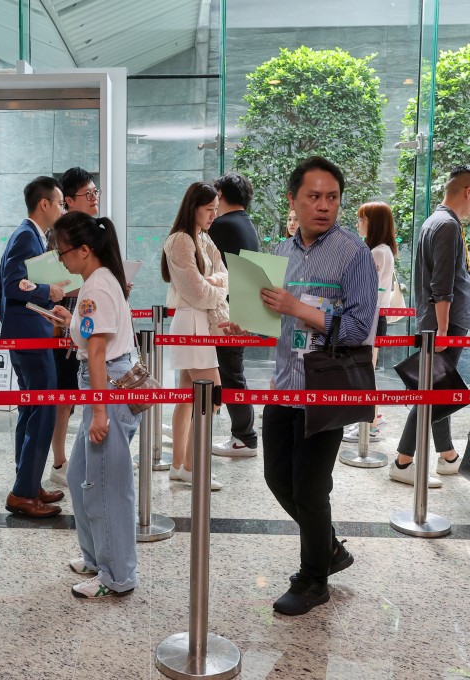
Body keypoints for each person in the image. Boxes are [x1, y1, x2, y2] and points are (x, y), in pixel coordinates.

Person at [222, 156, 377, 615]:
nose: (323, 206)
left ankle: (313, 580)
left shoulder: (354, 253)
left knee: (311, 487)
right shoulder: (280, 254)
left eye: (332, 197)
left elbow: (361, 327)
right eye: (313, 196)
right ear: (293, 200)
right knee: (276, 478)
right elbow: (277, 319)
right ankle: (328, 548)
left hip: (326, 387)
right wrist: (247, 327)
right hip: (284, 383)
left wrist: (300, 308)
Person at [48, 211, 139, 599]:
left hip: (107, 390)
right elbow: (93, 339)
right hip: (108, 384)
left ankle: (116, 575)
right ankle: (95, 557)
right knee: (80, 476)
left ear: (84, 250)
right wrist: (72, 321)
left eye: (63, 252)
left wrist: (100, 412)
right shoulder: (97, 284)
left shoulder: (97, 288)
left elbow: (99, 353)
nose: (61, 260)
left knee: (106, 487)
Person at [389, 166, 470, 487]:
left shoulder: (437, 221)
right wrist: (443, 329)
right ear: (468, 191)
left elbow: (442, 275)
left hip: (439, 323)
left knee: (437, 389)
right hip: (443, 325)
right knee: (430, 394)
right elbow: (440, 284)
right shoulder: (446, 225)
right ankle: (403, 462)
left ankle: (447, 456)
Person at [0, 176, 67, 517]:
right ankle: (22, 493)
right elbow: (11, 284)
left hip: (26, 333)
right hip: (30, 339)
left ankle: (28, 482)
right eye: (60, 202)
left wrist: (13, 321)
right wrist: (44, 294)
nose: (62, 209)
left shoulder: (28, 235)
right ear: (44, 204)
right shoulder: (26, 236)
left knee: (31, 410)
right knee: (43, 410)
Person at [162, 181, 227, 491]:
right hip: (191, 322)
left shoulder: (203, 238)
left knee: (189, 397)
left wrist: (211, 280)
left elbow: (223, 278)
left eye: (216, 209)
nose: (213, 215)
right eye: (208, 209)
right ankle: (190, 466)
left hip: (198, 320)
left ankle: (180, 465)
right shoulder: (180, 240)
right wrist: (214, 285)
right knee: (211, 395)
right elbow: (198, 292)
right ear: (194, 207)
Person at [48, 167, 100, 486]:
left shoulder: (94, 230)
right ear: (68, 200)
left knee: (82, 392)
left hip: (90, 322)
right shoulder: (58, 235)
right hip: (64, 326)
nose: (94, 198)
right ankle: (59, 462)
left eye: (96, 193)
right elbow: (53, 285)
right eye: (88, 194)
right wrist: (94, 284)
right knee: (64, 395)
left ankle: (81, 457)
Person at [207, 172, 260, 458]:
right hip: (243, 309)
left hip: (227, 314)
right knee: (230, 372)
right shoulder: (246, 224)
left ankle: (244, 437)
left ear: (221, 195)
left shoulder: (221, 225)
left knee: (230, 375)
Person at [343, 201, 397, 444]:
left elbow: (366, 290)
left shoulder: (377, 252)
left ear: (373, 223)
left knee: (366, 372)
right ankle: (371, 418)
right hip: (374, 317)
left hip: (370, 318)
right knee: (367, 370)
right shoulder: (383, 250)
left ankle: (371, 424)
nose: (358, 224)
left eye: (362, 219)